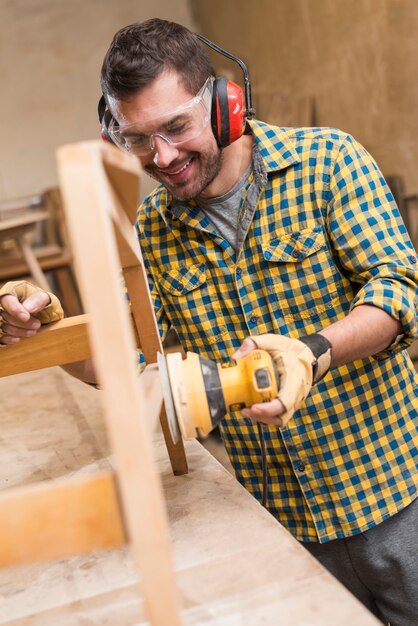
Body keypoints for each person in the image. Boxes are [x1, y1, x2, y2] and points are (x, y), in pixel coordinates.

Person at [1, 18, 418, 625]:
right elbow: (123, 359)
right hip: (281, 519)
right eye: (138, 139)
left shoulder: (327, 162)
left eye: (175, 127)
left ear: (224, 104)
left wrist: (313, 351)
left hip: (395, 500)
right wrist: (47, 325)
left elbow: (400, 290)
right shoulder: (151, 229)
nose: (162, 158)